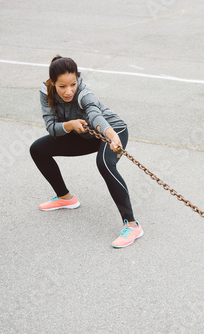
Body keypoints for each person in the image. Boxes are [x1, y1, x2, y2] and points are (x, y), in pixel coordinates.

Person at [29, 55, 142, 248]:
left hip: (113, 131)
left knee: (105, 164)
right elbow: (51, 126)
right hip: (82, 134)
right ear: (52, 83)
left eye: (73, 84)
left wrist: (111, 135)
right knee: (38, 149)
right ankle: (65, 198)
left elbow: (95, 116)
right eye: (62, 86)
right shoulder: (45, 92)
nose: (69, 91)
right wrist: (70, 125)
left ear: (78, 79)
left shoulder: (84, 94)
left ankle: (132, 225)